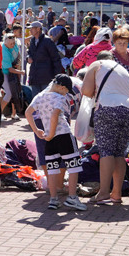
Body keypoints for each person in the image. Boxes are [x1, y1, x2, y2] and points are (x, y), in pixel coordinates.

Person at [81, 51, 129, 205]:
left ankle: (104, 192)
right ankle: (116, 193)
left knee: (106, 151)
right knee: (119, 152)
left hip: (108, 108)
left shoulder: (96, 65)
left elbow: (86, 91)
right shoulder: (123, 71)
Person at [26, 74, 86, 211]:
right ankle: (72, 198)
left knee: (52, 168)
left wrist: (37, 131)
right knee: (74, 167)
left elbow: (28, 112)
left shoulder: (39, 96)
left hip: (49, 138)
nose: (66, 94)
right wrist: (52, 133)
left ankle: (53, 199)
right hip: (63, 135)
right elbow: (55, 114)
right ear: (62, 87)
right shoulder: (60, 98)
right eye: (67, 91)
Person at [27, 22, 63, 92]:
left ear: (38, 29)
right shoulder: (32, 40)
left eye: (32, 29)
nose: (30, 30)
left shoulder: (47, 41)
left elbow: (56, 58)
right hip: (34, 77)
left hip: (46, 77)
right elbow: (30, 53)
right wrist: (28, 57)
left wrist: (57, 76)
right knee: (35, 98)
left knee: (46, 98)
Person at [1, 32, 25, 119]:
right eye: (10, 44)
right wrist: (20, 72)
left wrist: (18, 63)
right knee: (9, 93)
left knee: (15, 91)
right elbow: (10, 69)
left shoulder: (15, 44)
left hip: (13, 70)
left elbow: (18, 55)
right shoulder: (4, 51)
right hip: (4, 72)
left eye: (13, 43)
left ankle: (14, 114)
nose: (12, 45)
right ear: (5, 43)